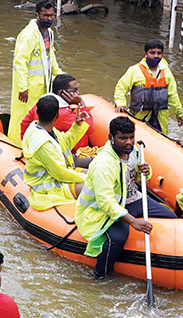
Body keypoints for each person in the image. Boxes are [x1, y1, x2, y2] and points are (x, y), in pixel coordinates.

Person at [75, 116, 177, 279]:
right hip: (103, 210)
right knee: (118, 238)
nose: (128, 142)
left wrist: (144, 171)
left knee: (171, 217)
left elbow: (134, 179)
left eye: (131, 137)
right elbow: (106, 202)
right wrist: (133, 221)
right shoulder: (104, 164)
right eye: (123, 138)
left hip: (133, 198)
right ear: (111, 138)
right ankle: (100, 275)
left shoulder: (133, 151)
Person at [21, 94, 91, 211]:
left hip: (57, 174)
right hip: (47, 186)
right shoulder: (43, 144)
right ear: (57, 116)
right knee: (93, 184)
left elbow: (65, 143)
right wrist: (88, 179)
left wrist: (77, 125)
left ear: (38, 113)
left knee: (93, 173)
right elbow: (60, 174)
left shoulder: (41, 129)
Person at [8, 0, 63, 142]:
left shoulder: (49, 33)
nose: (49, 18)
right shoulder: (29, 35)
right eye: (45, 15)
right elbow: (20, 62)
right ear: (36, 15)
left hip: (42, 86)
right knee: (22, 117)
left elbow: (50, 56)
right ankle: (16, 143)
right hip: (28, 88)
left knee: (39, 117)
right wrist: (23, 87)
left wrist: (60, 75)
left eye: (51, 15)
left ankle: (36, 143)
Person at [114, 39, 183, 136]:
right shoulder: (135, 70)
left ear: (162, 55)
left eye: (159, 53)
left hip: (160, 118)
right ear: (145, 54)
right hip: (140, 116)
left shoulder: (166, 72)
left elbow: (173, 95)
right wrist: (121, 103)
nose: (156, 56)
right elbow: (121, 88)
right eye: (152, 53)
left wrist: (179, 113)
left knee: (160, 138)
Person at [13, 74, 92, 153]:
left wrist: (28, 146)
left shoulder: (42, 103)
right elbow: (90, 129)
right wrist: (81, 104)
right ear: (62, 92)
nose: (77, 93)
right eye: (74, 91)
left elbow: (24, 123)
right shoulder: (64, 114)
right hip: (67, 153)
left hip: (42, 147)